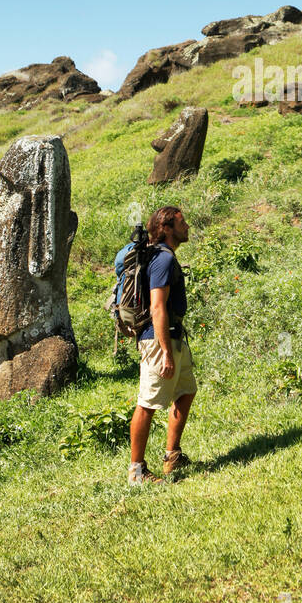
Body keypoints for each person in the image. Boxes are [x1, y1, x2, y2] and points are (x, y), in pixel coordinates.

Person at [127, 205, 197, 484]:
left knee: (186, 391)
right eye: (182, 223)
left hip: (174, 336)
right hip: (159, 340)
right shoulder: (163, 260)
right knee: (147, 404)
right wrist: (165, 351)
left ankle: (172, 455)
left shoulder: (165, 257)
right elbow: (157, 307)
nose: (187, 226)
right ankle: (137, 471)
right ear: (166, 228)